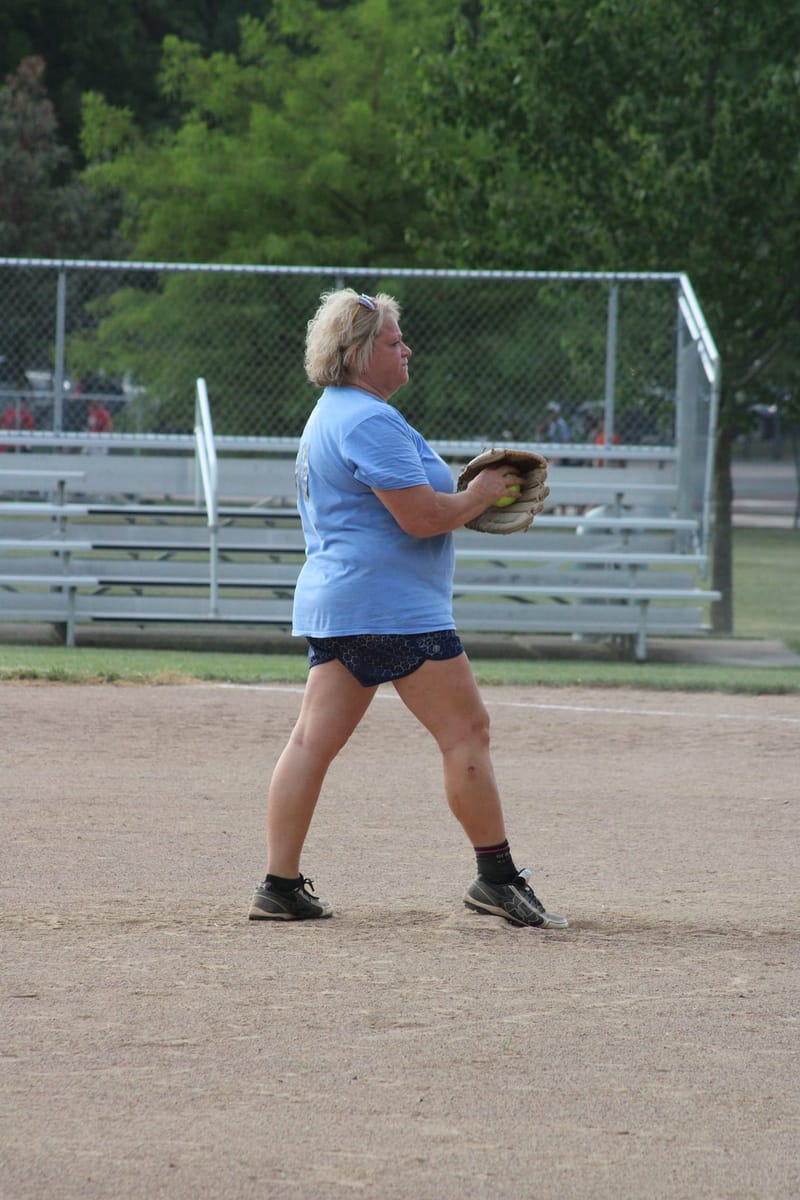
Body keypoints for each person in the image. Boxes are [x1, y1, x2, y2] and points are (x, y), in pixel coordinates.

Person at [248, 289, 567, 930]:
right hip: (392, 609)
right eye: (393, 342)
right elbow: (421, 517)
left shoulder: (332, 413)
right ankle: (497, 879)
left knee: (310, 742)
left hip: (343, 604)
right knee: (466, 732)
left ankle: (279, 886)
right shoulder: (368, 420)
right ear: (359, 353)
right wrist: (480, 494)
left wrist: (467, 499)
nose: (406, 350)